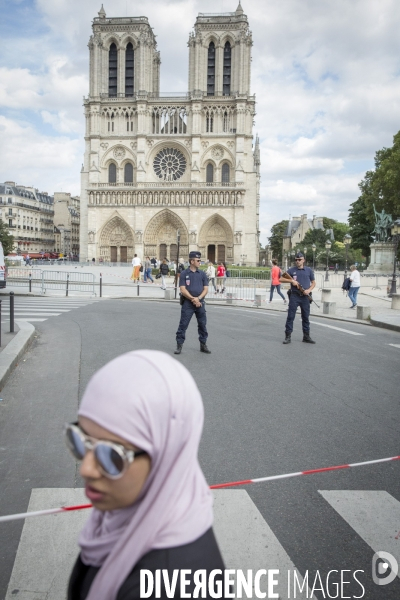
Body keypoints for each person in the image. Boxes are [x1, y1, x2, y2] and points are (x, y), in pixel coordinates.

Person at [66, 350, 225, 600]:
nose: (86, 468)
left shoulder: (171, 585)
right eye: (80, 440)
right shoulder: (128, 510)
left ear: (166, 455)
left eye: (112, 455)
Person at [175, 251, 210, 355]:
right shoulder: (184, 274)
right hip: (188, 304)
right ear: (192, 261)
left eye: (200, 260)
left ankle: (203, 345)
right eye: (198, 260)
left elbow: (206, 289)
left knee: (202, 325)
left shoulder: (202, 274)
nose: (200, 262)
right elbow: (182, 289)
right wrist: (193, 299)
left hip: (200, 303)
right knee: (183, 325)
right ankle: (179, 345)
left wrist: (198, 298)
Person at [280, 252, 316, 344]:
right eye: (296, 260)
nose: (297, 261)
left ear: (303, 260)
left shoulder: (308, 270)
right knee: (290, 316)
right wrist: (291, 280)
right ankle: (288, 336)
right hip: (294, 296)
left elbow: (313, 283)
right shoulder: (292, 270)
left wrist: (308, 290)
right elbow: (281, 279)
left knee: (305, 317)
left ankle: (306, 336)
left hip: (305, 297)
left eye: (299, 260)